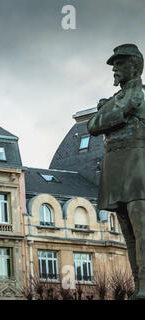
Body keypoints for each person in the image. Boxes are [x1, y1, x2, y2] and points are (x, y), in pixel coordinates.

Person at [88, 43, 145, 299]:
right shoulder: (116, 101)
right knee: (128, 232)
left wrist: (112, 113)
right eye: (114, 65)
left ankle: (144, 286)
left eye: (120, 64)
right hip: (115, 167)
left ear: (135, 66)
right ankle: (138, 286)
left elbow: (100, 121)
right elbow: (92, 125)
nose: (115, 70)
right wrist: (123, 111)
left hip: (138, 165)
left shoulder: (142, 95)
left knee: (141, 226)